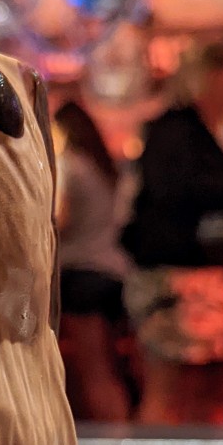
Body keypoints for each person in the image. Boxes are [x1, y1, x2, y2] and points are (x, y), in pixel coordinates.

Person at [120, 38, 223, 424]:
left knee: (203, 394)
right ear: (207, 76)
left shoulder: (209, 133)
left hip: (204, 280)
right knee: (170, 389)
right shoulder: (176, 131)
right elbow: (170, 201)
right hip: (174, 278)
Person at [54, 100, 131, 421]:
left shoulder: (70, 165)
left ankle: (116, 440)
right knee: (108, 366)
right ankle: (122, 432)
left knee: (93, 370)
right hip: (112, 271)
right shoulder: (103, 167)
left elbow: (61, 219)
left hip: (81, 275)